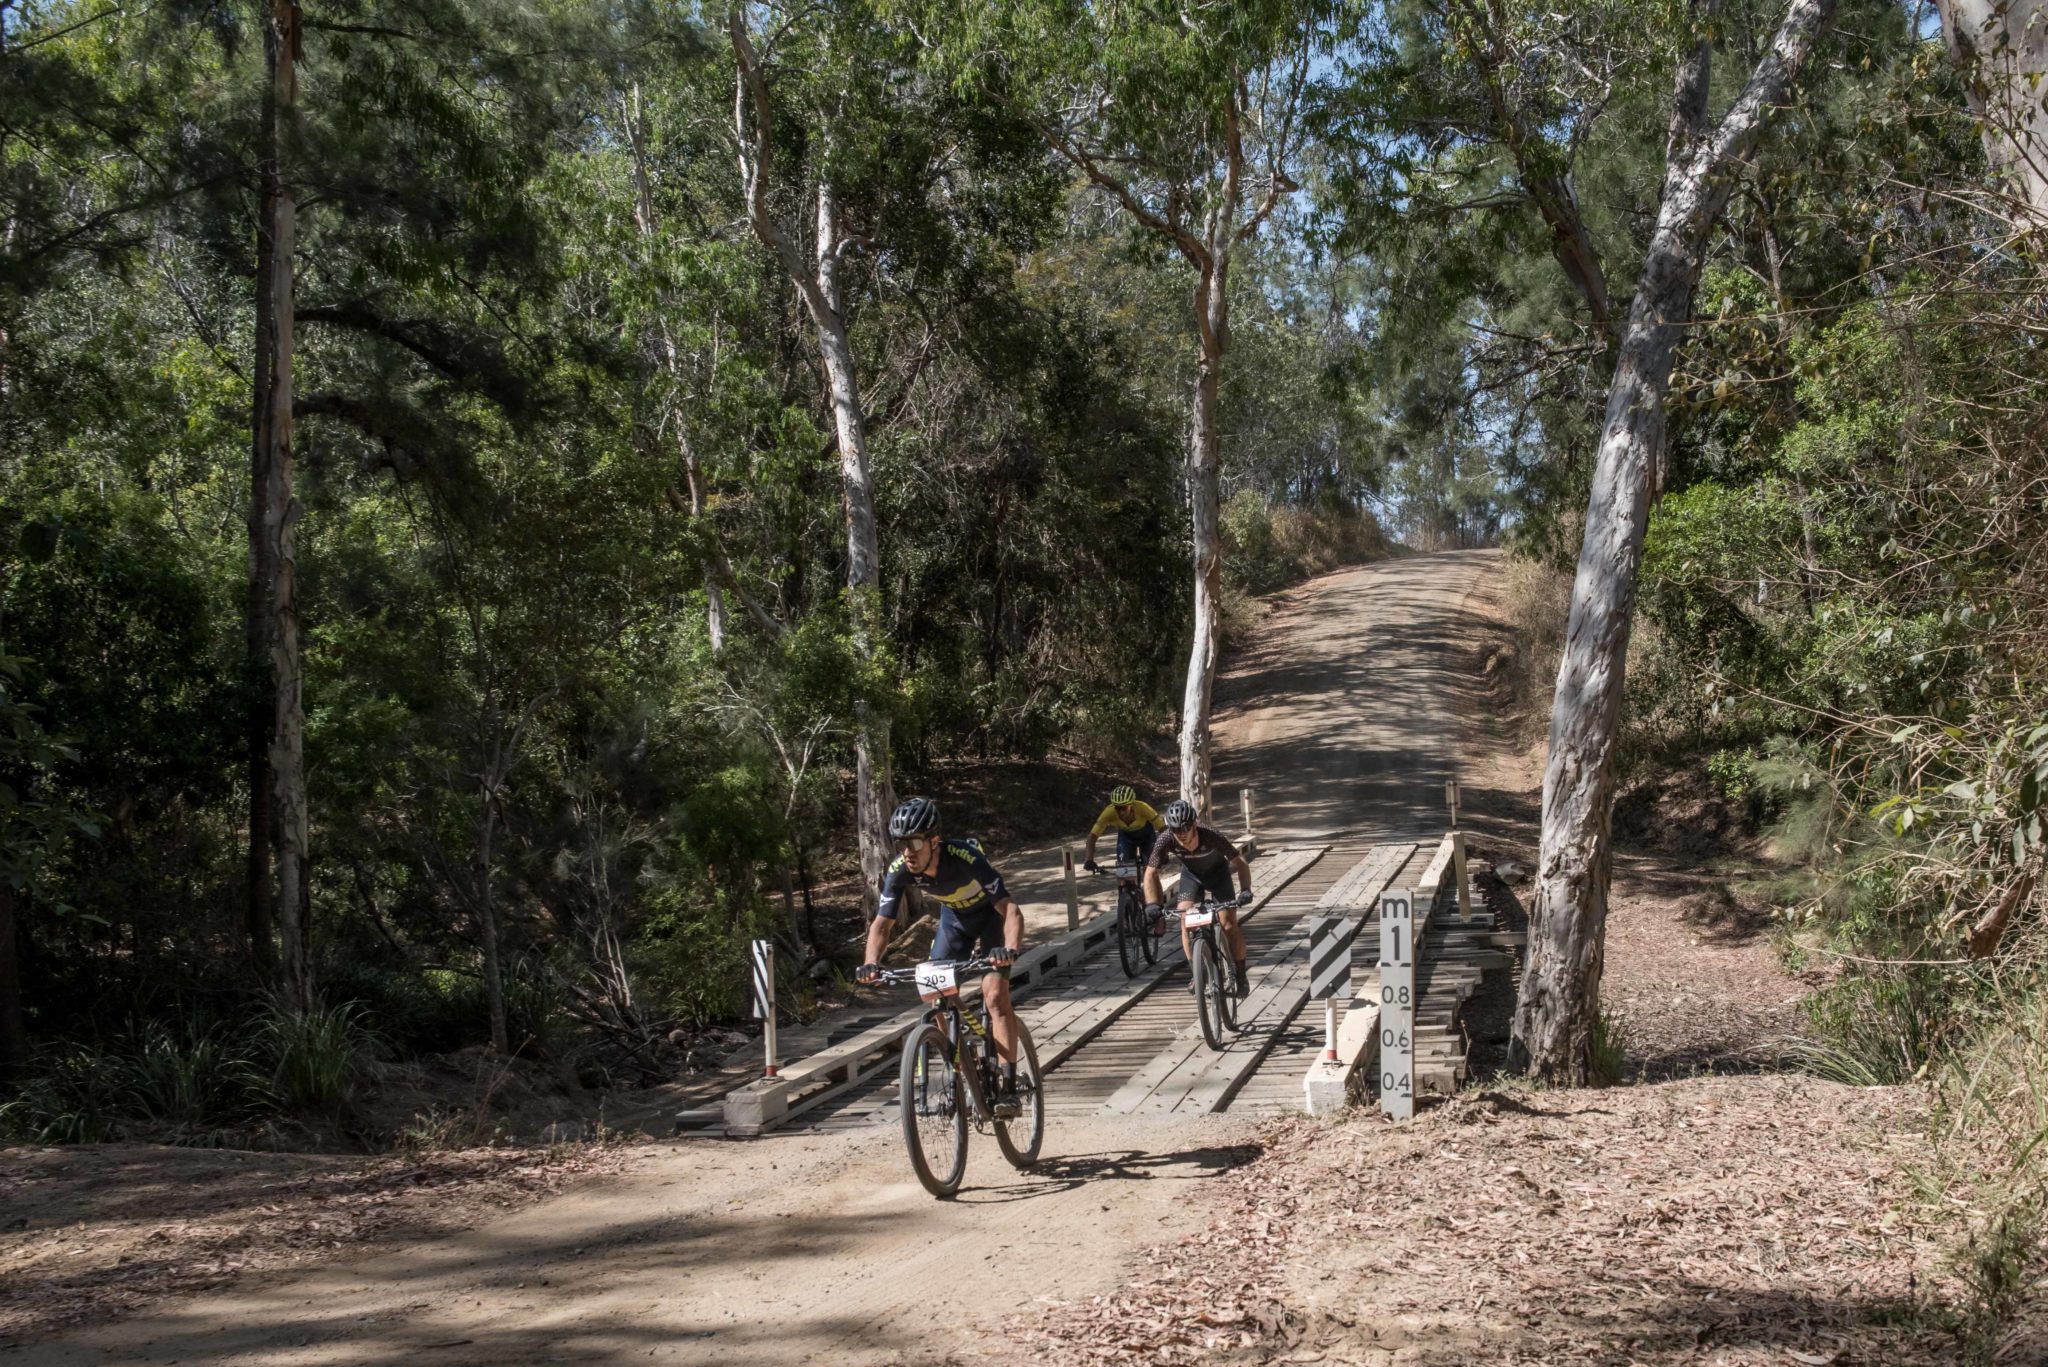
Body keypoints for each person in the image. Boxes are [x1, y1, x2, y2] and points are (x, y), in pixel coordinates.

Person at [856, 796, 1026, 1116]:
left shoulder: (965, 857)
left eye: (915, 842)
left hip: (992, 919)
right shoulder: (899, 870)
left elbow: (1011, 910)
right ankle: (966, 1060)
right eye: (901, 843)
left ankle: (1008, 1089)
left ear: (934, 841)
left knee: (994, 996)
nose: (907, 851)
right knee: (935, 996)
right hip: (955, 922)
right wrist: (871, 963)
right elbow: (882, 924)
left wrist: (1010, 949)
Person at [1143, 798, 1253, 995]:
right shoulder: (1165, 838)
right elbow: (1150, 873)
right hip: (1192, 876)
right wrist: (1152, 903)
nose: (1181, 834)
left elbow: (1240, 862)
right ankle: (1197, 972)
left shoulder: (1210, 834)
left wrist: (1245, 889)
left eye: (1185, 828)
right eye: (1176, 830)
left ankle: (1241, 974)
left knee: (1228, 924)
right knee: (1185, 922)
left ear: (1194, 824)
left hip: (1219, 874)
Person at [1081, 784, 1164, 889]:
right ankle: (1126, 897)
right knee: (1124, 875)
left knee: (1150, 872)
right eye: (1117, 808)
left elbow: (1163, 830)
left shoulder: (1143, 807)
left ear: (1131, 805)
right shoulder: (1109, 812)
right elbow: (1092, 837)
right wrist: (1089, 859)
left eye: (1123, 808)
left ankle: (1155, 902)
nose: (1120, 812)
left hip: (1147, 837)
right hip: (1126, 838)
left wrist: (1163, 852)